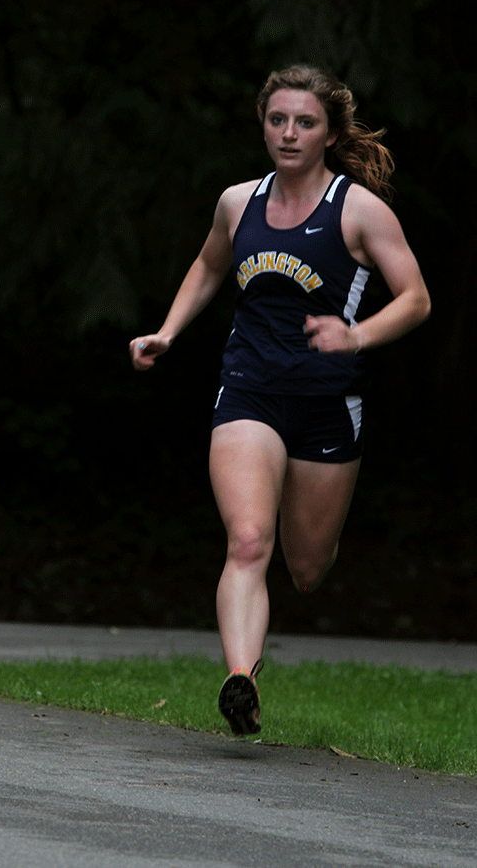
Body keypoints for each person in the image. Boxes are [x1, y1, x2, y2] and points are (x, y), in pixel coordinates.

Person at [129, 65, 430, 736]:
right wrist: (168, 332)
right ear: (263, 125)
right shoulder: (238, 202)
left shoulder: (358, 210)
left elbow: (416, 298)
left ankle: (266, 631)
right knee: (247, 540)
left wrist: (356, 335)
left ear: (328, 134)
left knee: (305, 567)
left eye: (305, 122)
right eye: (277, 120)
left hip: (327, 403)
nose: (289, 133)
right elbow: (210, 264)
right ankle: (241, 680)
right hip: (250, 391)